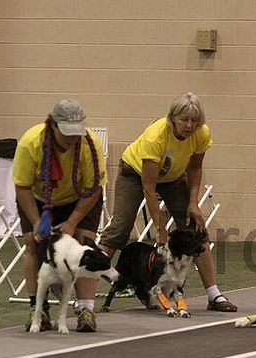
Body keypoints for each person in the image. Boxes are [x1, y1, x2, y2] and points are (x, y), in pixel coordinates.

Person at [98, 92, 237, 312]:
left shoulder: (201, 133)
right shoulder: (156, 136)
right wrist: (160, 228)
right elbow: (149, 189)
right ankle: (84, 297)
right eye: (184, 120)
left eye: (194, 121)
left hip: (172, 176)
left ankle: (214, 295)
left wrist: (193, 202)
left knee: (196, 227)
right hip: (134, 173)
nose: (190, 125)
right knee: (120, 229)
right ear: (172, 118)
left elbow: (195, 167)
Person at [13, 99, 107, 332]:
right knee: (32, 244)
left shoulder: (89, 145)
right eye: (66, 133)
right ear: (52, 126)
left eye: (76, 134)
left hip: (80, 197)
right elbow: (22, 187)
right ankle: (38, 308)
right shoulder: (31, 143)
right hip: (38, 197)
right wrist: (36, 221)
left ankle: (86, 308)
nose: (71, 139)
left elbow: (93, 187)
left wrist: (73, 221)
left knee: (84, 243)